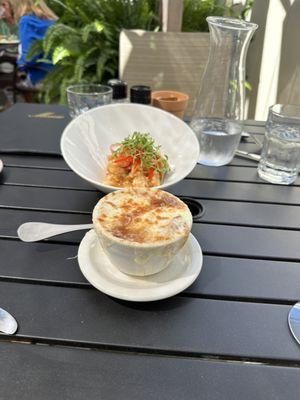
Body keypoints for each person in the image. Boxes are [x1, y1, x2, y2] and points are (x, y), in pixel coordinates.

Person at [0, 0, 57, 86]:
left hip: (40, 77)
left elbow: (30, 58)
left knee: (4, 80)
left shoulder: (26, 20)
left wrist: (18, 63)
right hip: (57, 74)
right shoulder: (51, 20)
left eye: (3, 5)